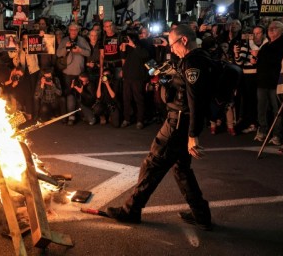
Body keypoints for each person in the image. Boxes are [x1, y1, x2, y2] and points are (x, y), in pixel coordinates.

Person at [106, 24, 213, 231]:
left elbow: (195, 100)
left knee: (152, 164)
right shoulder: (198, 58)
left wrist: (193, 134)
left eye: (173, 44)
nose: (171, 49)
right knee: (181, 169)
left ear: (184, 40)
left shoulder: (192, 62)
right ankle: (201, 214)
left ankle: (131, 210)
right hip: (180, 120)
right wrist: (167, 78)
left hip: (178, 122)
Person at [254, 21, 283, 145]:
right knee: (261, 108)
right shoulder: (266, 45)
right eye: (270, 28)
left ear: (281, 30)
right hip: (263, 81)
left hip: (275, 82)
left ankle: (276, 134)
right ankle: (263, 130)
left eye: (275, 28)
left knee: (277, 110)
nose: (271, 30)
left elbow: (276, 61)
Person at [56, 22, 91, 125]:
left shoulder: (82, 40)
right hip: (67, 72)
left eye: (75, 30)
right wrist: (66, 48)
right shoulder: (65, 40)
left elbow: (88, 52)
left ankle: (78, 115)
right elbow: (58, 54)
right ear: (69, 30)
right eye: (71, 30)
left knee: (79, 95)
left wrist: (80, 50)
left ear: (78, 31)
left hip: (79, 72)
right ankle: (70, 116)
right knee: (69, 94)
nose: (73, 32)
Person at [120, 31, 150, 129]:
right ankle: (127, 119)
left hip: (138, 77)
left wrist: (134, 45)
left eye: (128, 38)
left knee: (139, 99)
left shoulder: (143, 44)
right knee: (126, 99)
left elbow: (145, 55)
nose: (127, 40)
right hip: (127, 76)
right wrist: (123, 48)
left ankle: (140, 120)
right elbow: (123, 58)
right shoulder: (127, 46)